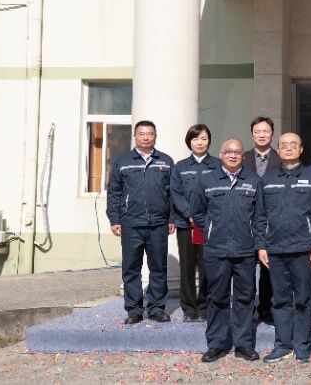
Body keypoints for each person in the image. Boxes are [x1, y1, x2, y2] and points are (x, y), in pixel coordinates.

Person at [256, 132, 311, 364]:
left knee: (303, 300)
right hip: (275, 249)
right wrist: (261, 245)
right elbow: (260, 216)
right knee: (280, 300)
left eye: (293, 144)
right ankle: (283, 345)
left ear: (301, 149)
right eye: (284, 145)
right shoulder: (267, 179)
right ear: (278, 150)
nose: (288, 148)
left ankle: (302, 346)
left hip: (303, 249)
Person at [191, 139, 264, 363]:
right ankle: (216, 344)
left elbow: (259, 216)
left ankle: (243, 344)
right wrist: (211, 230)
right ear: (221, 154)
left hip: (244, 249)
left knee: (245, 297)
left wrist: (256, 241)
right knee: (217, 297)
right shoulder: (207, 179)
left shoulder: (253, 180)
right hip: (216, 249)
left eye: (237, 152)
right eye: (228, 151)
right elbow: (197, 211)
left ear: (243, 156)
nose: (233, 155)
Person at [106, 120, 175, 324]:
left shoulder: (166, 161)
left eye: (150, 134)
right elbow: (114, 193)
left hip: (158, 224)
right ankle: (134, 310)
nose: (146, 137)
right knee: (131, 268)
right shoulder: (122, 161)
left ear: (155, 136)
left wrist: (172, 218)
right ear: (135, 136)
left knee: (158, 267)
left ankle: (156, 308)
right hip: (131, 224)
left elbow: (173, 193)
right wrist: (115, 219)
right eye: (142, 134)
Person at [170, 123, 220, 322]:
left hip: (209, 225)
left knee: (207, 265)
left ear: (209, 141)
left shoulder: (218, 165)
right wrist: (189, 215)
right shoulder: (180, 167)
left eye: (204, 138)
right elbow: (176, 194)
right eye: (195, 138)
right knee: (188, 266)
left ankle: (205, 306)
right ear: (189, 142)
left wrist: (208, 217)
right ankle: (189, 309)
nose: (200, 142)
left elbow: (220, 193)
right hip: (187, 225)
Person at [242, 116, 277, 324]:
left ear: (272, 134)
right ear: (252, 134)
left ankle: (266, 308)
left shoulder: (280, 158)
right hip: (246, 219)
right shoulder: (242, 157)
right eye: (258, 131)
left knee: (268, 268)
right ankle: (248, 308)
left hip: (272, 221)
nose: (262, 135)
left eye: (266, 131)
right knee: (247, 268)